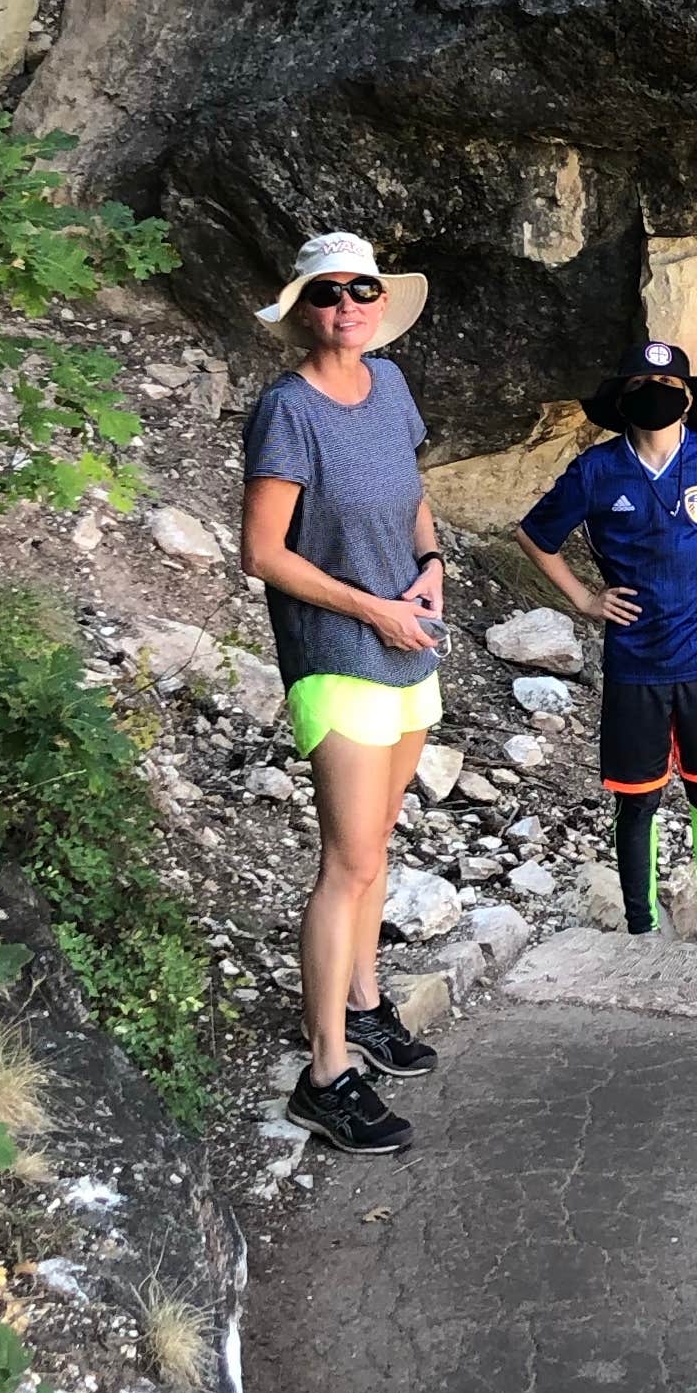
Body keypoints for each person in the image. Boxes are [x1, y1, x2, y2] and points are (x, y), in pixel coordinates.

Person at [239, 231, 447, 1157]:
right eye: (327, 295)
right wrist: (373, 609)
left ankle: (363, 1003)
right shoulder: (287, 411)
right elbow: (265, 553)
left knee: (376, 850)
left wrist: (432, 564)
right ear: (302, 311)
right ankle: (325, 1075)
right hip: (339, 650)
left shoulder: (390, 385)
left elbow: (412, 493)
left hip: (410, 639)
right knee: (348, 863)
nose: (347, 307)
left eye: (362, 290)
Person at [516, 340, 697, 948]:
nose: (656, 395)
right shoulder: (597, 470)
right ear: (622, 400)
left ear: (688, 399)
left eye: (667, 386)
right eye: (640, 385)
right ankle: (640, 928)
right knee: (637, 802)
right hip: (634, 662)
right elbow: (535, 535)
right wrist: (584, 600)